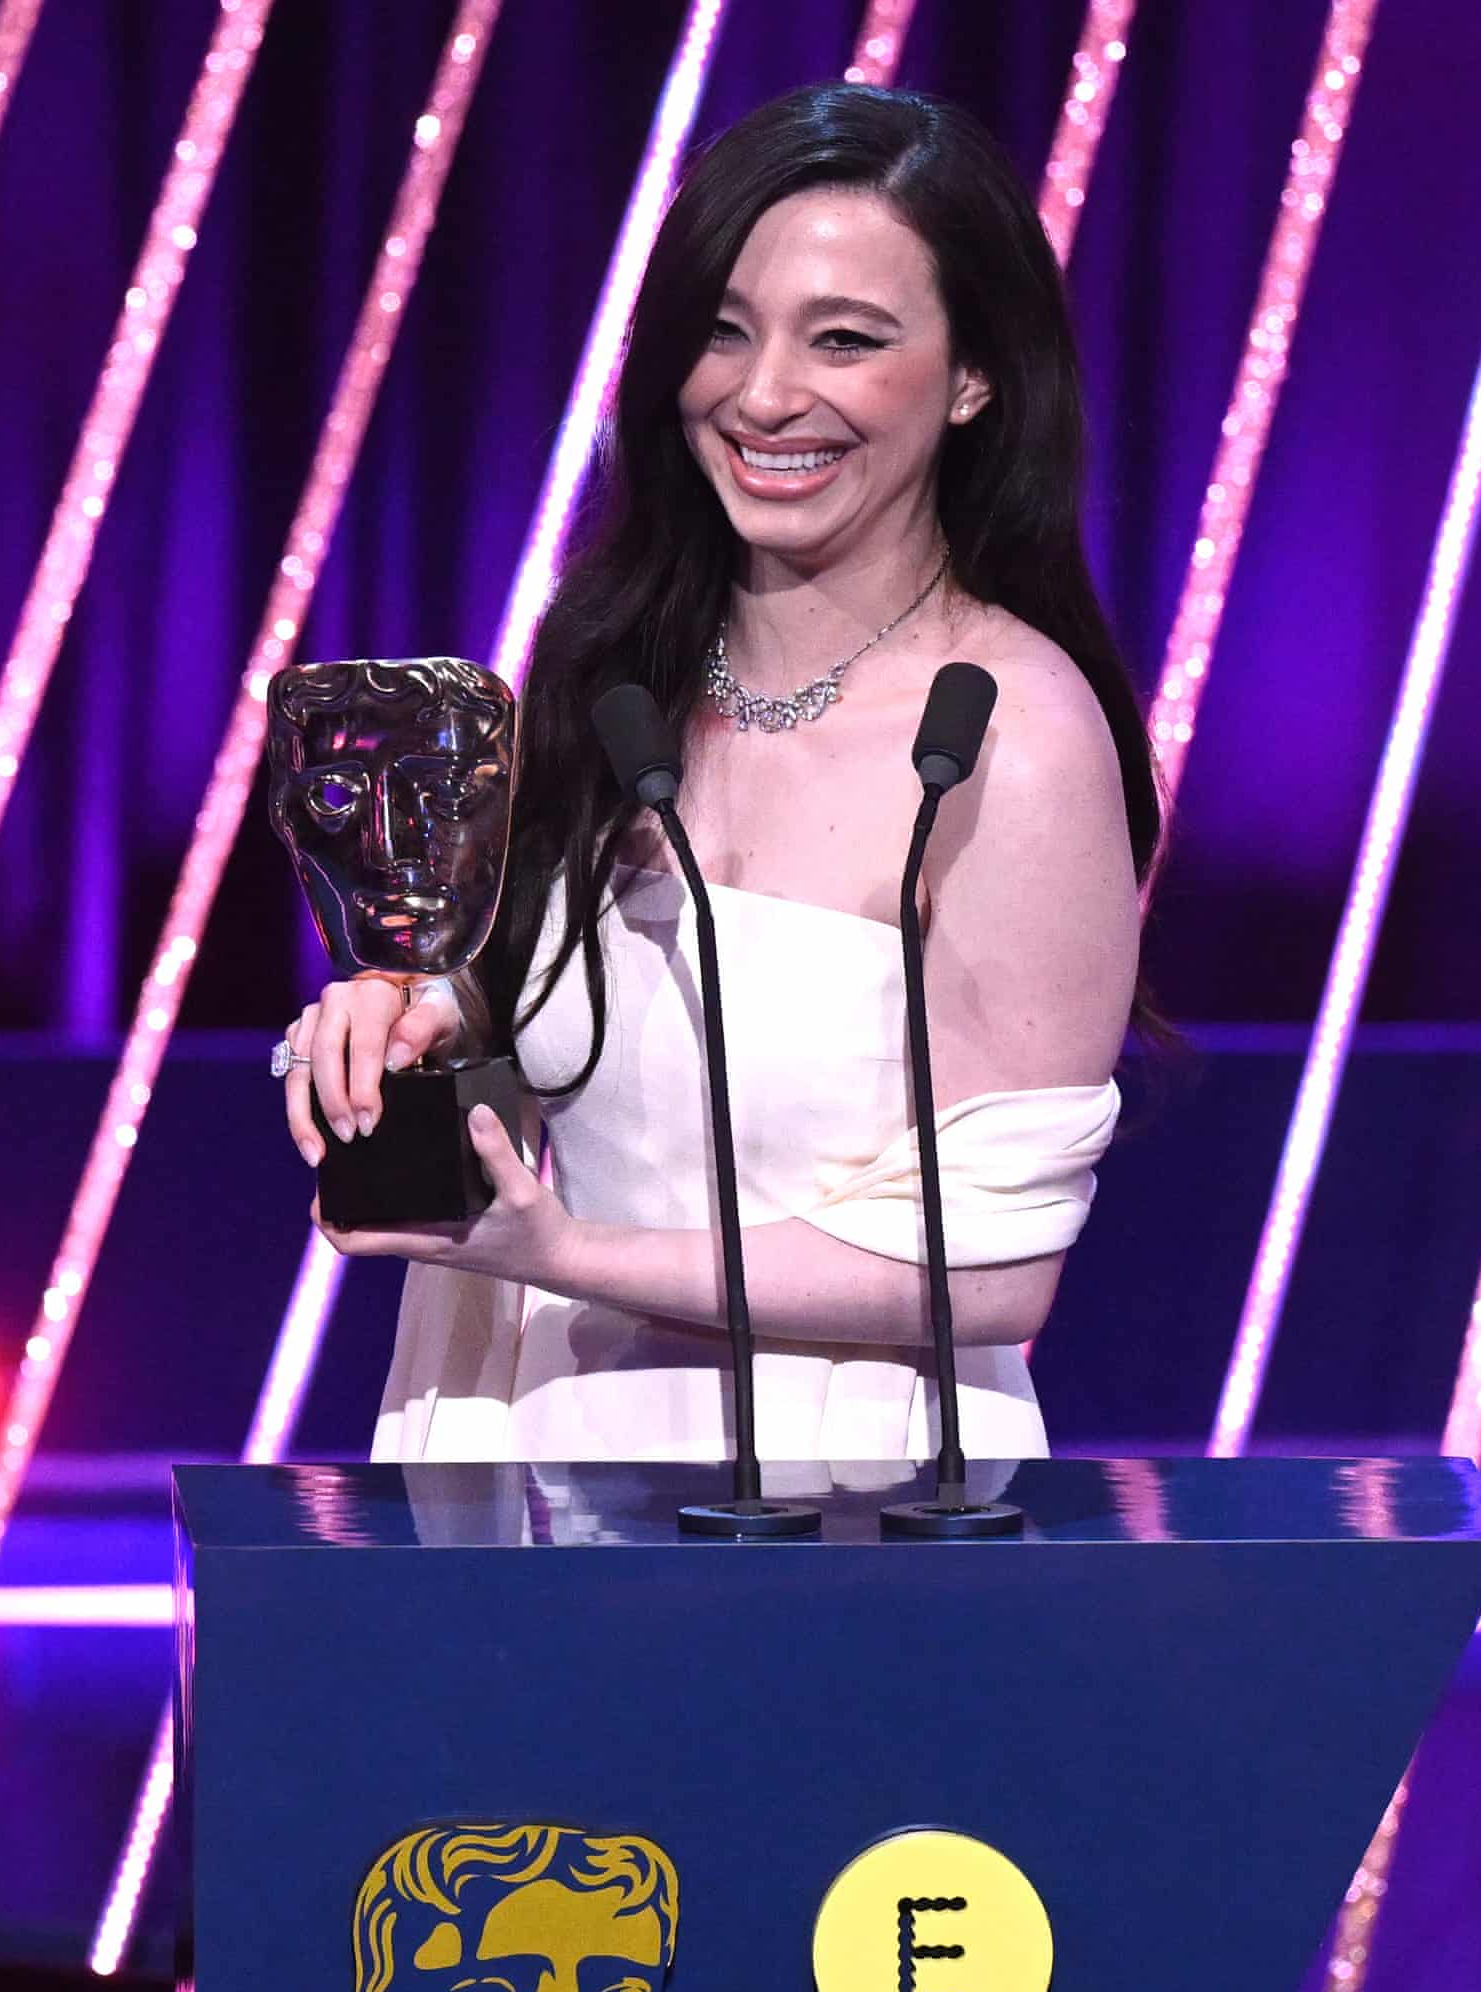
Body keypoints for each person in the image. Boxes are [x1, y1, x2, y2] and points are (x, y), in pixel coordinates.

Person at [280, 83, 1157, 1467]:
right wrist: (413, 1020)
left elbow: (996, 1270)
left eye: (846, 340)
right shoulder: (611, 672)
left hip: (859, 1501)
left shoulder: (1014, 736)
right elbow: (544, 1022)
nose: (762, 395)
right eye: (724, 329)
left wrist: (569, 1254)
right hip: (544, 1467)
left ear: (974, 376)